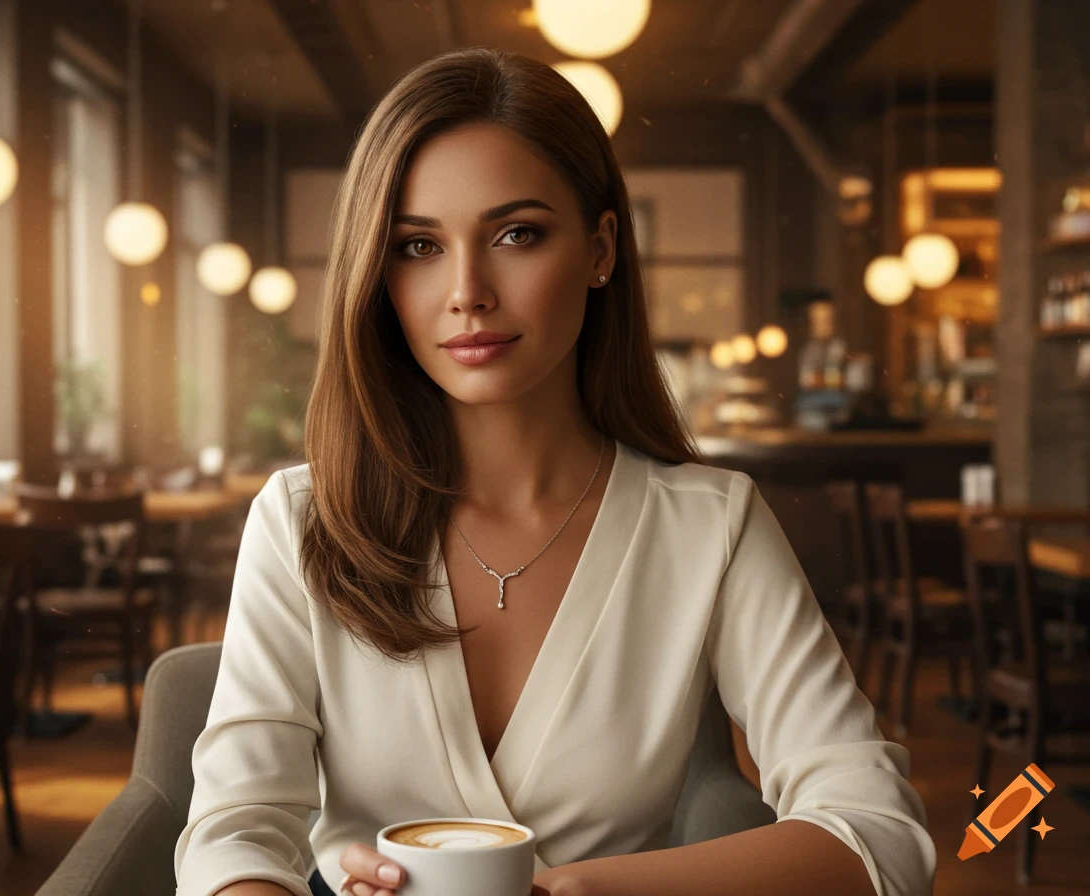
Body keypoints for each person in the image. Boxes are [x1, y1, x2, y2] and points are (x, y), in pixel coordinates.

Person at [174, 47, 936, 896]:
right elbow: (232, 837)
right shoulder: (303, 520)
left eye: (516, 234)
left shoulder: (710, 527)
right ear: (376, 276)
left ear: (600, 248)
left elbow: (880, 836)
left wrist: (590, 891)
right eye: (418, 246)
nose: (467, 290)